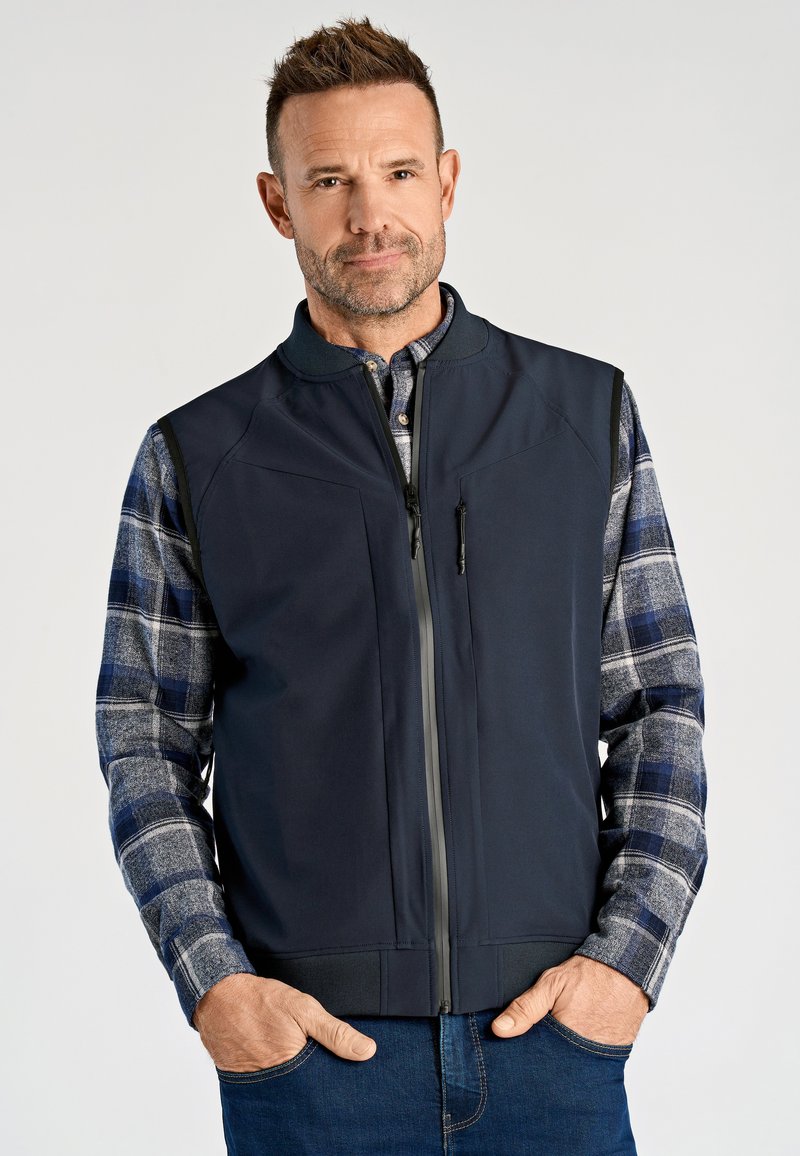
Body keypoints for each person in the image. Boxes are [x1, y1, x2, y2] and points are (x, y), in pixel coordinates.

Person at [94, 16, 709, 1155]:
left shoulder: (584, 418)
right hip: (316, 1063)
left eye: (398, 173)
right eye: (329, 180)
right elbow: (143, 740)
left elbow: (659, 704)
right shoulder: (199, 454)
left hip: (552, 1048)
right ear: (278, 203)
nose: (369, 216)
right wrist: (217, 985)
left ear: (448, 181)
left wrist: (625, 966)